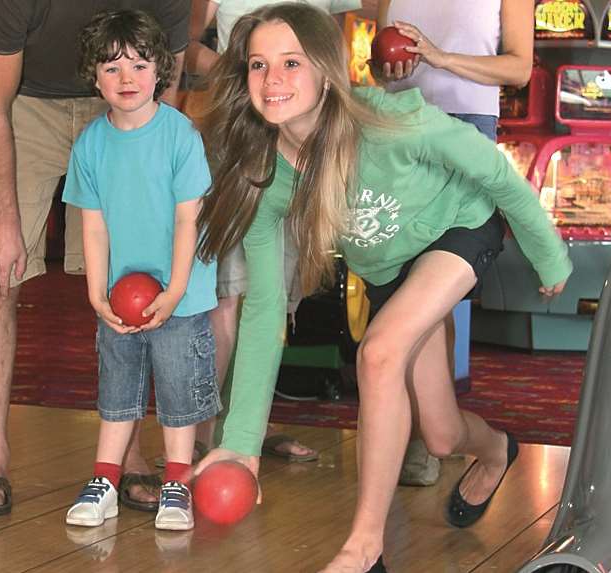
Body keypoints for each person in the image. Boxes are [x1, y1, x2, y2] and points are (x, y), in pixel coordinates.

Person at [193, 4, 571, 572]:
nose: (273, 81)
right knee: (441, 435)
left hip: (460, 226)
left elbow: (494, 174)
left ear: (326, 68)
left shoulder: (392, 121)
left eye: (291, 62)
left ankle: (365, 548)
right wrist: (243, 441)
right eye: (258, 65)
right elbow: (265, 309)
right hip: (393, 270)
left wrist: (549, 257)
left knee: (379, 353)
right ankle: (496, 449)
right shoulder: (269, 175)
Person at [0, 0, 190, 517]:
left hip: (123, 98)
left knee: (128, 280)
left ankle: (128, 451)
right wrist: (5, 223)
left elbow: (166, 94)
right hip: (23, 104)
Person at [181, 0, 361, 465]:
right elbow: (184, 42)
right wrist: (250, 70)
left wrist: (286, 80)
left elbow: (333, 50)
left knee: (277, 292)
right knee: (224, 294)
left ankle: (248, 424)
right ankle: (200, 436)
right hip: (241, 130)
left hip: (301, 141)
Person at [62, 10, 217, 531]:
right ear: (93, 75)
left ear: (160, 71)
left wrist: (174, 290)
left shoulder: (181, 136)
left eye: (138, 65)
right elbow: (95, 228)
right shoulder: (90, 145)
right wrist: (95, 296)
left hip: (182, 295)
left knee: (178, 391)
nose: (125, 79)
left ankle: (178, 483)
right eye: (110, 68)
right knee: (118, 388)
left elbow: (185, 218)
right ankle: (104, 478)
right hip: (119, 297)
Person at [376, 0, 534, 487]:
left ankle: (425, 435)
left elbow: (520, 67)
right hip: (398, 127)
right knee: (404, 284)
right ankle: (419, 426)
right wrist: (387, 69)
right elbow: (383, 73)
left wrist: (442, 58)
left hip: (465, 128)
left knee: (434, 292)